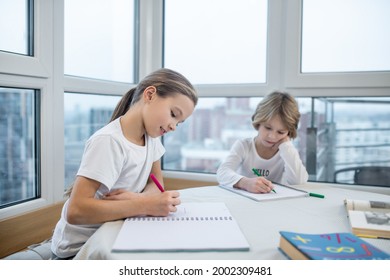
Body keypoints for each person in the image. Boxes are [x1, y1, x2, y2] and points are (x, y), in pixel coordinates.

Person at [51, 68, 198, 259]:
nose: (173, 126)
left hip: (118, 232)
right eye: (173, 114)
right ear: (150, 94)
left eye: (179, 122)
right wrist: (145, 205)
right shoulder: (109, 141)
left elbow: (156, 184)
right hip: (79, 248)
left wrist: (138, 200)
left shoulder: (152, 139)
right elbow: (76, 211)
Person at [216, 91, 308, 193]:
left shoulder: (287, 151)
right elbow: (222, 172)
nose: (272, 136)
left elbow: (299, 181)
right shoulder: (244, 146)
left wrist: (286, 146)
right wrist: (245, 183)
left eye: (281, 132)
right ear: (258, 122)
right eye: (268, 128)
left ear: (288, 132)